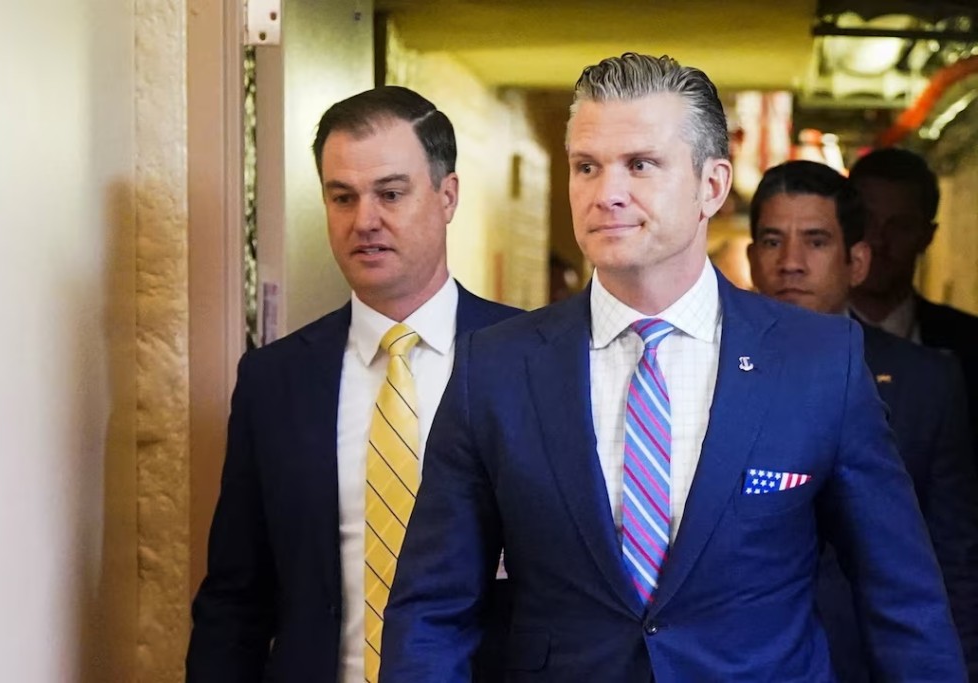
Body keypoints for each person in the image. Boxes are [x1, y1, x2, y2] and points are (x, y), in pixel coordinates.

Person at [379, 53, 966, 682]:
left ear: (711, 186)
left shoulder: (819, 363)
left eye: (640, 165)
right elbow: (433, 611)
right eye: (587, 166)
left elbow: (902, 603)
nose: (607, 193)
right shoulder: (495, 368)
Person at [185, 85, 520, 683]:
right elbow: (235, 598)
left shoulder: (530, 359)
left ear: (447, 196)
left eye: (391, 193)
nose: (365, 220)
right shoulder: (274, 380)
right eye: (343, 198)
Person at [746, 159, 978, 681]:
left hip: (871, 660)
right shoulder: (705, 367)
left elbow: (954, 559)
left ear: (857, 261)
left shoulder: (927, 380)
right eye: (771, 241)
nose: (791, 263)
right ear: (751, 258)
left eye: (816, 241)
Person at [849, 147, 978, 466]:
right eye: (867, 222)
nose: (879, 241)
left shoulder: (971, 348)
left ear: (927, 236)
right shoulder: (802, 340)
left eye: (900, 226)